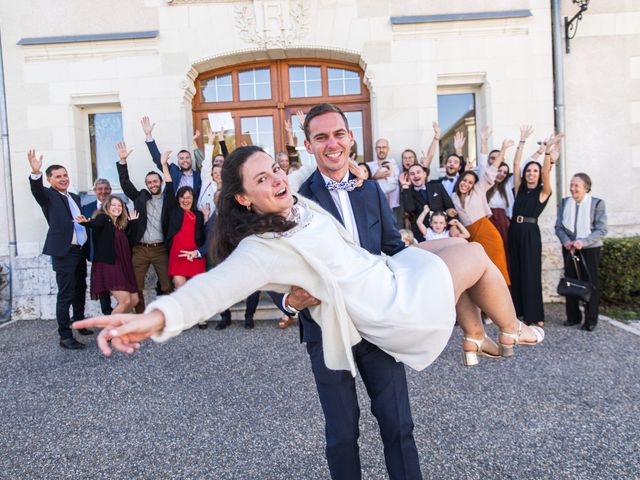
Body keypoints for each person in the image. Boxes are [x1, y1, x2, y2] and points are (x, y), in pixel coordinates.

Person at [75, 104, 544, 480]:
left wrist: (352, 173)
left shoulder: (300, 195)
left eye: (276, 169)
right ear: (242, 197)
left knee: (400, 418)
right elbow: (213, 288)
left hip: (387, 285)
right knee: (343, 433)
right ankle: (510, 329)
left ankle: (477, 334)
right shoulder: (263, 246)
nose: (276, 179)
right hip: (341, 326)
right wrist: (152, 318)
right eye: (261, 179)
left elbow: (374, 235)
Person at [28, 150, 90, 349]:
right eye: (58, 177)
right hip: (64, 252)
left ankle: (78, 322)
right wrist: (35, 173)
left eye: (65, 175)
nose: (63, 179)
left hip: (79, 250)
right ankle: (65, 336)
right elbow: (37, 190)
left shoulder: (73, 197)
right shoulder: (47, 195)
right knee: (66, 293)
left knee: (80, 287)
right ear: (49, 180)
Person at [509, 130, 564, 327]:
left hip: (530, 233)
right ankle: (517, 312)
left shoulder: (543, 192)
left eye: (535, 171)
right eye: (529, 171)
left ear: (539, 174)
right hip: (514, 231)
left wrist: (548, 151)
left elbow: (547, 171)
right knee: (515, 271)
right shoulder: (519, 190)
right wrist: (522, 141)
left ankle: (534, 315)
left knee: (531, 272)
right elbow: (516, 165)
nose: (531, 173)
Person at [116, 142, 173, 313]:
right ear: (147, 184)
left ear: (160, 182)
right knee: (136, 285)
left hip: (160, 249)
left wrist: (163, 165)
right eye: (149, 182)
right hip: (140, 249)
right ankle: (141, 315)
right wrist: (122, 162)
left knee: (167, 285)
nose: (152, 184)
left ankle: (168, 316)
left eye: (155, 181)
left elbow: (170, 184)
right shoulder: (140, 197)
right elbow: (125, 184)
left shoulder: (168, 198)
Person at [450, 140, 512, 286]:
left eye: (470, 182)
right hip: (469, 236)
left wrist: (503, 150)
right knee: (478, 273)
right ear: (460, 180)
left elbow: (491, 171)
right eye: (464, 180)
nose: (466, 184)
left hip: (487, 233)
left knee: (496, 269)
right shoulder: (453, 198)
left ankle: (500, 303)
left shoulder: (478, 190)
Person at [555, 173, 607, 331]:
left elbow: (601, 230)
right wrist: (566, 241)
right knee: (570, 281)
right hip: (569, 248)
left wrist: (582, 242)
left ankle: (590, 320)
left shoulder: (597, 203)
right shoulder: (564, 203)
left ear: (586, 187)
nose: (573, 188)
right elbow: (559, 227)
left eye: (576, 185)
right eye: (571, 185)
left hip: (590, 249)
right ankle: (573, 317)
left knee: (590, 283)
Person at [76, 196, 140, 313]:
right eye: (114, 205)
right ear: (107, 207)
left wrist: (134, 223)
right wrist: (87, 222)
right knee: (125, 300)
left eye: (119, 205)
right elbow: (96, 223)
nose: (117, 208)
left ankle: (118, 325)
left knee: (134, 299)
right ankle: (110, 328)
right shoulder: (104, 218)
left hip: (123, 266)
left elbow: (132, 242)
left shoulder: (120, 225)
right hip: (109, 265)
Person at [160, 151, 207, 290]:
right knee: (179, 285)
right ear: (178, 198)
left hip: (194, 254)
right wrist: (164, 165)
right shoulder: (173, 211)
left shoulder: (198, 215)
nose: (186, 200)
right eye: (183, 197)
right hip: (178, 254)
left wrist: (205, 218)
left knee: (196, 289)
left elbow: (203, 235)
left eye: (189, 197)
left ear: (193, 199)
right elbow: (169, 187)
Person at [141, 116, 202, 200]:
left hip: (192, 211)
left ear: (191, 160)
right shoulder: (173, 171)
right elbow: (158, 160)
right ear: (178, 162)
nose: (185, 160)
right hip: (175, 211)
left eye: (187, 157)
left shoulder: (198, 175)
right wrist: (148, 135)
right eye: (181, 158)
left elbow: (205, 164)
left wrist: (194, 142)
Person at [400, 163, 456, 241]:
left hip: (442, 232)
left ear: (424, 174)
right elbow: (410, 209)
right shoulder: (408, 192)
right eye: (412, 174)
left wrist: (453, 225)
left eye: (418, 172)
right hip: (421, 234)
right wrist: (405, 186)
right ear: (409, 177)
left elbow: (450, 207)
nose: (415, 175)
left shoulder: (437, 186)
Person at [82, 178, 114, 315]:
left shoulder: (119, 205)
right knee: (103, 287)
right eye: (100, 189)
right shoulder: (86, 209)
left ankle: (120, 314)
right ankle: (108, 315)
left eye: (106, 188)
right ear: (95, 191)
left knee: (119, 285)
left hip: (116, 253)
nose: (103, 192)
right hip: (97, 255)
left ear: (110, 190)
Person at [367, 138, 401, 226]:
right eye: (379, 147)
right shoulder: (369, 166)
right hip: (375, 207)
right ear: (375, 149)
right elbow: (364, 181)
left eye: (384, 147)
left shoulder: (393, 164)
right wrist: (375, 176)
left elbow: (393, 182)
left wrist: (374, 176)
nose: (381, 150)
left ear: (388, 149)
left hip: (392, 207)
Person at [438, 131, 466, 196]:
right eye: (449, 161)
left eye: (455, 162)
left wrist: (458, 149)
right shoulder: (436, 183)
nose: (452, 164)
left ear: (459, 167)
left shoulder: (462, 181)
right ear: (445, 165)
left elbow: (463, 172)